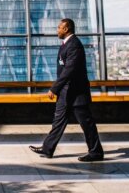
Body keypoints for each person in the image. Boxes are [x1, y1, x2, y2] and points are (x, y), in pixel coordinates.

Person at [29, 18, 104, 162]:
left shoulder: (74, 45)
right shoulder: (66, 44)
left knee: (87, 124)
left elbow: (69, 70)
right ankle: (47, 148)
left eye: (59, 28)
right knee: (58, 121)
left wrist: (54, 88)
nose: (57, 30)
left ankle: (96, 152)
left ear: (66, 28)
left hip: (76, 93)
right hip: (66, 93)